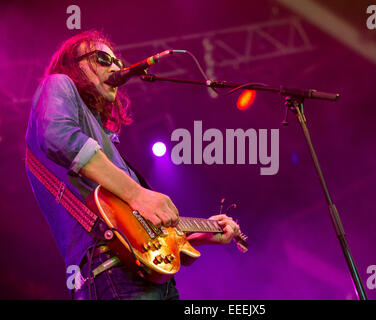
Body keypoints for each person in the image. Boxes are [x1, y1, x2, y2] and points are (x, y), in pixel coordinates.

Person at [25, 30, 241, 300]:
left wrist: (201, 235)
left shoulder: (104, 146)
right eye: (102, 59)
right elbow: (58, 136)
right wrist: (138, 193)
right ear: (73, 65)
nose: (116, 67)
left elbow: (139, 228)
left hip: (143, 273)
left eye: (117, 62)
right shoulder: (58, 83)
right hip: (111, 272)